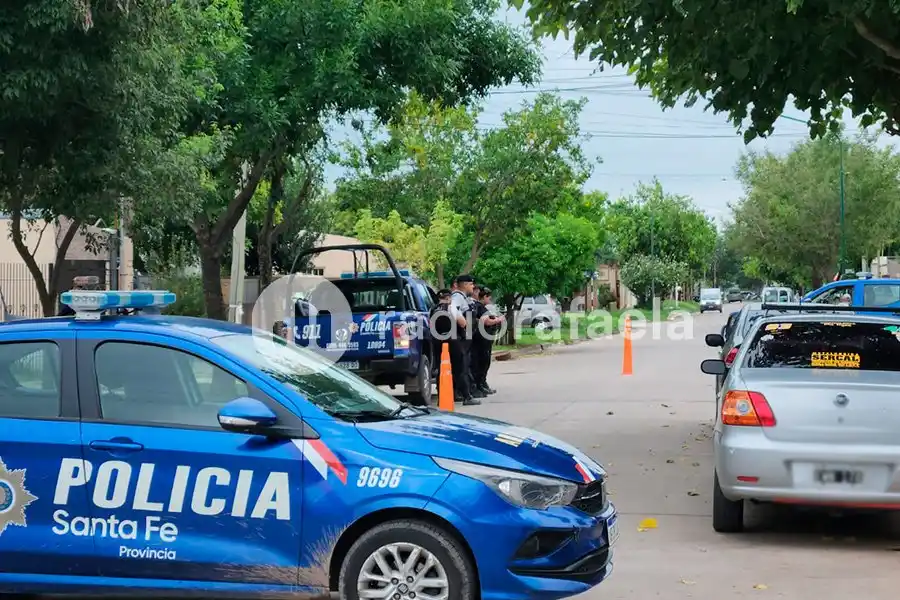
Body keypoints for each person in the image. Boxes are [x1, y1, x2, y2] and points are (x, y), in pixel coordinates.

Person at [449, 275, 479, 405]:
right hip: (460, 337)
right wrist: (463, 322)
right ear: (465, 284)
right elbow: (452, 309)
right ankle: (466, 396)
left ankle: (460, 393)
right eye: (471, 284)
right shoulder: (457, 296)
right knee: (462, 367)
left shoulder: (463, 297)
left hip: (464, 337)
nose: (473, 287)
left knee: (463, 366)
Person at [471, 286, 503, 396]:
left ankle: (482, 383)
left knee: (484, 362)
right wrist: (498, 320)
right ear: (484, 296)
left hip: (485, 339)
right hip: (481, 339)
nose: (490, 300)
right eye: (489, 297)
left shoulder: (481, 307)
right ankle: (479, 384)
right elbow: (486, 321)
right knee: (482, 362)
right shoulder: (478, 307)